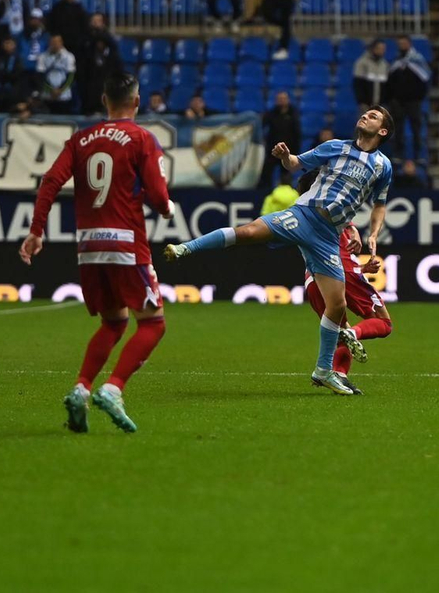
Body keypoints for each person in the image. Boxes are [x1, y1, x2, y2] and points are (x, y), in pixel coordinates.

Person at [164, 107, 395, 396]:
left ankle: (324, 371)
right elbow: (296, 163)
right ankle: (185, 248)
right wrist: (285, 156)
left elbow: (380, 204)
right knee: (248, 232)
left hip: (328, 236)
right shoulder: (335, 146)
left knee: (337, 306)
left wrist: (373, 233)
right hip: (303, 216)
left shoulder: (383, 166)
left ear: (382, 131)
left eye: (373, 116)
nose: (365, 116)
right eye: (365, 113)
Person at [20, 72, 173, 434]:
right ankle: (113, 388)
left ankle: (81, 388)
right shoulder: (142, 138)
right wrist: (166, 207)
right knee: (153, 324)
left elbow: (50, 181)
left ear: (105, 100)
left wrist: (36, 231)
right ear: (137, 101)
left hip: (89, 247)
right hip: (126, 244)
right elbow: (157, 195)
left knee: (114, 322)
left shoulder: (80, 139)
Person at [302, 206, 394, 395]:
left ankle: (339, 376)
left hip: (312, 279)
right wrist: (353, 228)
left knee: (337, 330)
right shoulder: (331, 205)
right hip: (341, 269)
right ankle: (352, 334)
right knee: (384, 323)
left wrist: (361, 268)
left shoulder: (299, 215)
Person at [385, 35, 431, 160]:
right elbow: (390, 81)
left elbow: (425, 79)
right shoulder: (395, 61)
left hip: (414, 101)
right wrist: (392, 98)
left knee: (416, 129)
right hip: (397, 102)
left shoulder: (418, 60)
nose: (402, 46)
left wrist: (419, 97)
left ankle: (418, 155)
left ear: (409, 44)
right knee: (398, 129)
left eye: (404, 43)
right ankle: (398, 154)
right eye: (400, 44)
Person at [258, 90, 301, 190]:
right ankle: (264, 191)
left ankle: (287, 193)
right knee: (266, 173)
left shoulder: (293, 114)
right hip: (273, 149)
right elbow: (262, 125)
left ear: (288, 100)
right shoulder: (271, 113)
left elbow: (297, 133)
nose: (281, 101)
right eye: (279, 99)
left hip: (287, 150)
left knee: (286, 173)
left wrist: (295, 150)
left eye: (283, 99)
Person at [35, 34, 77, 114]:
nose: (55, 44)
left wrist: (60, 90)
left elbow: (71, 76)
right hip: (47, 95)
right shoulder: (42, 57)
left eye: (57, 42)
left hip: (64, 96)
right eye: (52, 42)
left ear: (61, 42)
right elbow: (40, 76)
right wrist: (51, 90)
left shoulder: (69, 56)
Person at [351, 41, 389, 107]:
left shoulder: (384, 64)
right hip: (366, 104)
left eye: (383, 49)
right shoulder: (362, 63)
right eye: (380, 48)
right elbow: (358, 84)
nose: (382, 51)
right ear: (373, 49)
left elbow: (386, 85)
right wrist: (362, 101)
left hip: (380, 105)